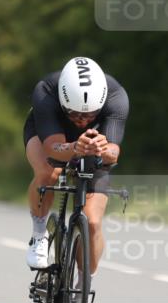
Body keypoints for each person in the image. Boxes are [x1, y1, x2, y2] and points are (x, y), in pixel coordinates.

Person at [23, 57, 129, 271]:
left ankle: (82, 282)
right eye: (75, 114)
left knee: (92, 223)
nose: (82, 121)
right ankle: (38, 235)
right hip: (50, 135)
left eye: (90, 115)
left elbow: (114, 153)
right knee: (48, 172)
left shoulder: (116, 97)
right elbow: (52, 148)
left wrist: (102, 149)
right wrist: (74, 149)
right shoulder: (46, 93)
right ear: (63, 103)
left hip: (92, 144)